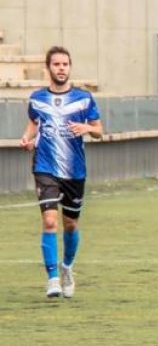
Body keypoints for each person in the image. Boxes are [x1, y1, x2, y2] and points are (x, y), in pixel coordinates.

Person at [19, 47, 102, 299]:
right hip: (45, 167)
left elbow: (99, 130)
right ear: (49, 68)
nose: (61, 68)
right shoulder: (37, 98)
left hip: (74, 171)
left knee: (71, 224)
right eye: (56, 64)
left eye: (65, 64)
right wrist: (26, 138)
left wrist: (87, 128)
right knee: (49, 221)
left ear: (70, 67)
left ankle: (66, 268)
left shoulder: (84, 98)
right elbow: (34, 123)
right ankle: (53, 279)